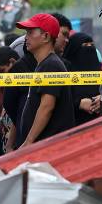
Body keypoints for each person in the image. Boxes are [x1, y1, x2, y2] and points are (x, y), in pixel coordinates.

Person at [16, 13, 76, 148]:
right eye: (26, 32)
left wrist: (29, 141)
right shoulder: (45, 64)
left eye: (31, 32)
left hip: (50, 146)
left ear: (46, 37)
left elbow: (47, 106)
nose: (26, 37)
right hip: (46, 145)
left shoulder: (51, 65)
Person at [63, 32, 102, 125]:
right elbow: (54, 102)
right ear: (73, 50)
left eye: (92, 45)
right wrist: (78, 104)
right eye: (85, 45)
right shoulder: (63, 71)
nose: (89, 48)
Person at [0, 46, 20, 154]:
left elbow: (3, 107)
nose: (0, 76)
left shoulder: (21, 82)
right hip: (5, 140)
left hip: (16, 144)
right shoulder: (7, 82)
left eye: (2, 71)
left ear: (12, 62)